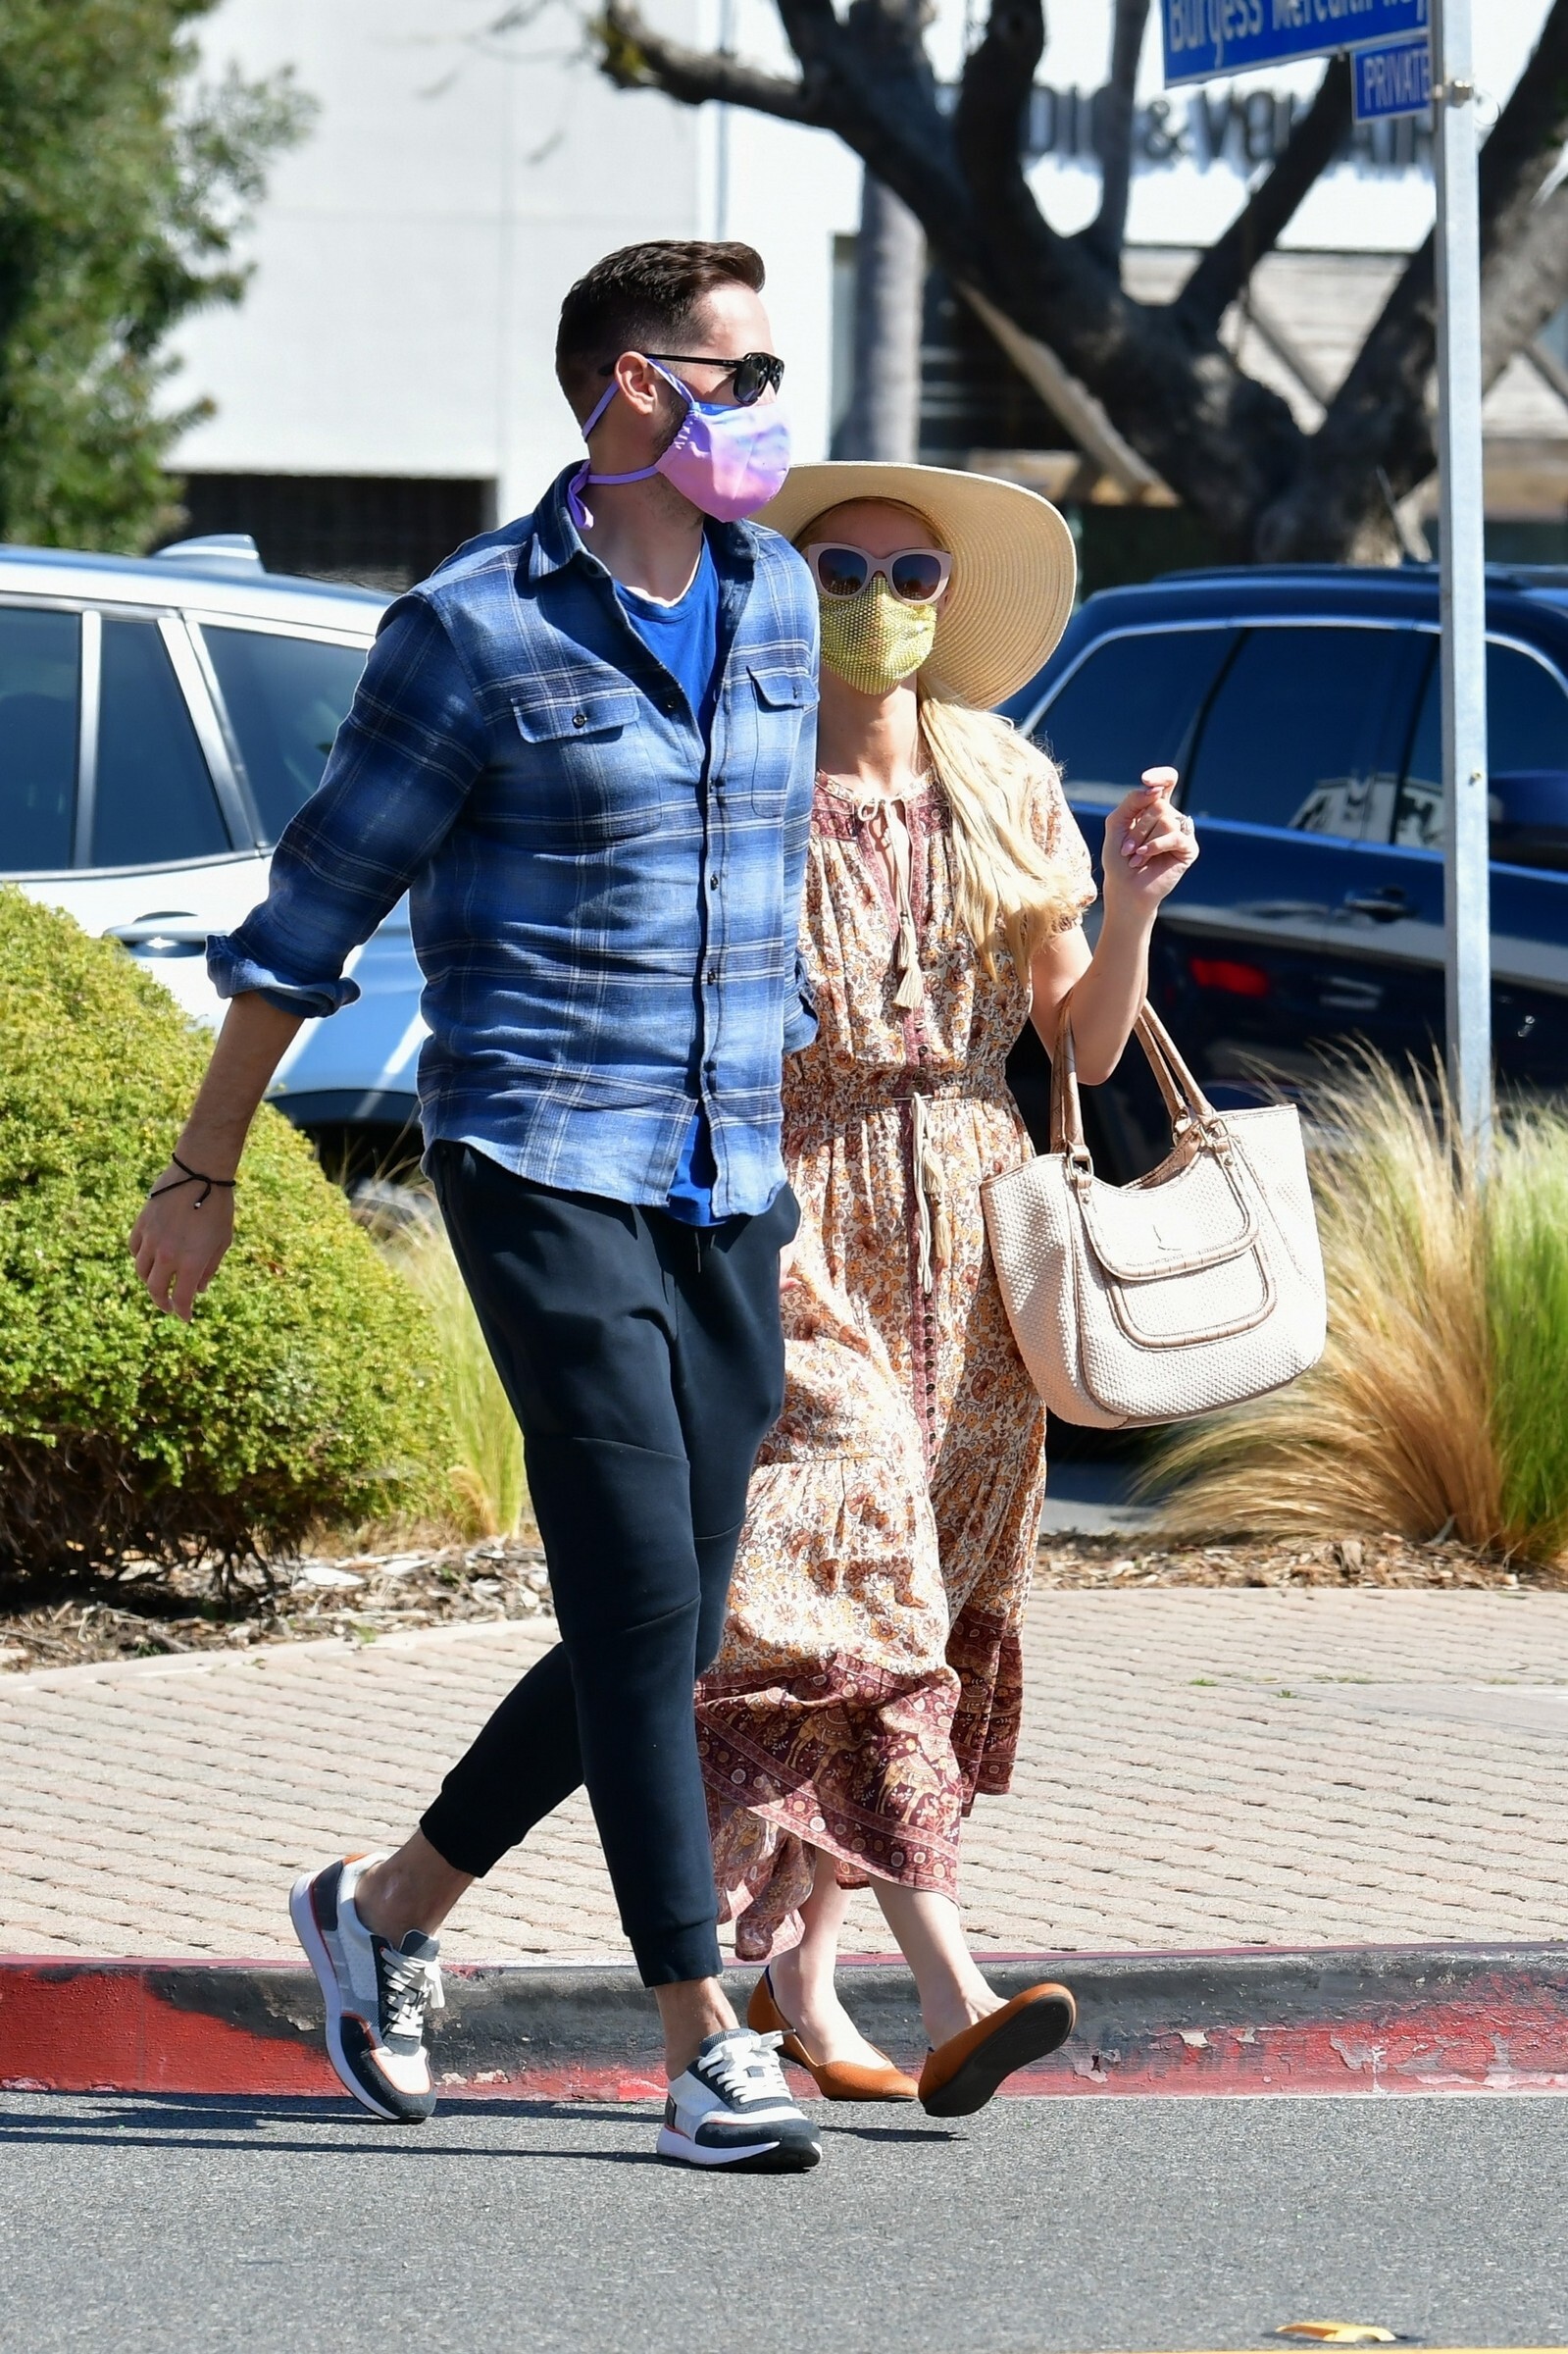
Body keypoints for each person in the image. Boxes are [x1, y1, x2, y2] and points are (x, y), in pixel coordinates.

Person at [126, 240, 830, 2175]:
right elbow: (309, 916)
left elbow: (780, 887)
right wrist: (203, 1169)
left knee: (662, 1621)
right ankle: (700, 2043)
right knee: (634, 1587)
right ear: (633, 387)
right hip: (539, 1156)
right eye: (742, 374)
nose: (770, 409)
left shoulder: (778, 596)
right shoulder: (469, 630)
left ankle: (387, 1911)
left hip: (725, 1174)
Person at [692, 463, 1199, 2113]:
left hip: (978, 1231)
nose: (879, 600)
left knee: (923, 1595)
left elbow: (1087, 1048)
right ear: (787, 590)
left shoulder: (1004, 779)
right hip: (795, 1212)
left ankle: (797, 1984)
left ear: (948, 601)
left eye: (912, 575)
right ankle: (953, 1983)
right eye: (840, 570)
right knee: (860, 1574)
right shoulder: (737, 770)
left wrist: (1131, 904)